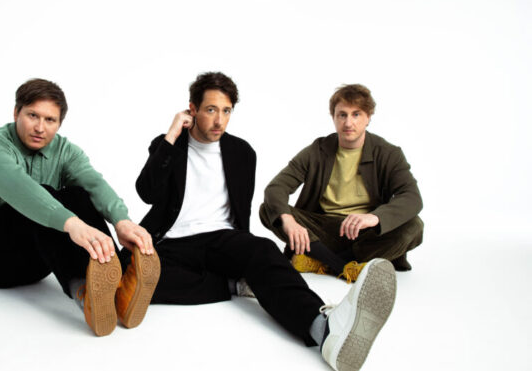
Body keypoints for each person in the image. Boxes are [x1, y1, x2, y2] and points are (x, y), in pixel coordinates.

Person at [135, 72, 396, 371]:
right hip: (171, 241)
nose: (219, 120)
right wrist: (171, 135)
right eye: (210, 110)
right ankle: (233, 284)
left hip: (222, 239)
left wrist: (245, 256)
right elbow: (147, 192)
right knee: (134, 275)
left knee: (262, 250)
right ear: (192, 109)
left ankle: (323, 329)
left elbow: (242, 211)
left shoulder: (242, 153)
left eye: (226, 111)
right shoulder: (168, 145)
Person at [0, 78, 160, 337]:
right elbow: (24, 192)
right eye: (32, 115)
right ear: (16, 113)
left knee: (77, 194)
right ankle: (85, 293)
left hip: (37, 263)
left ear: (59, 123)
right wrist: (73, 225)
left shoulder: (65, 151)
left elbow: (94, 183)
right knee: (44, 196)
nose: (40, 127)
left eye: (50, 120)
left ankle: (116, 287)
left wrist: (122, 221)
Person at [260, 84, 423, 283]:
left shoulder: (388, 153)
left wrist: (375, 217)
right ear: (334, 117)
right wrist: (289, 221)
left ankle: (320, 262)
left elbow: (412, 197)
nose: (348, 122)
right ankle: (345, 267)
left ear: (368, 117)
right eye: (342, 115)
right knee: (269, 209)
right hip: (322, 230)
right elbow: (276, 188)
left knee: (415, 225)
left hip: (365, 233)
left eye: (356, 114)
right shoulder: (317, 150)